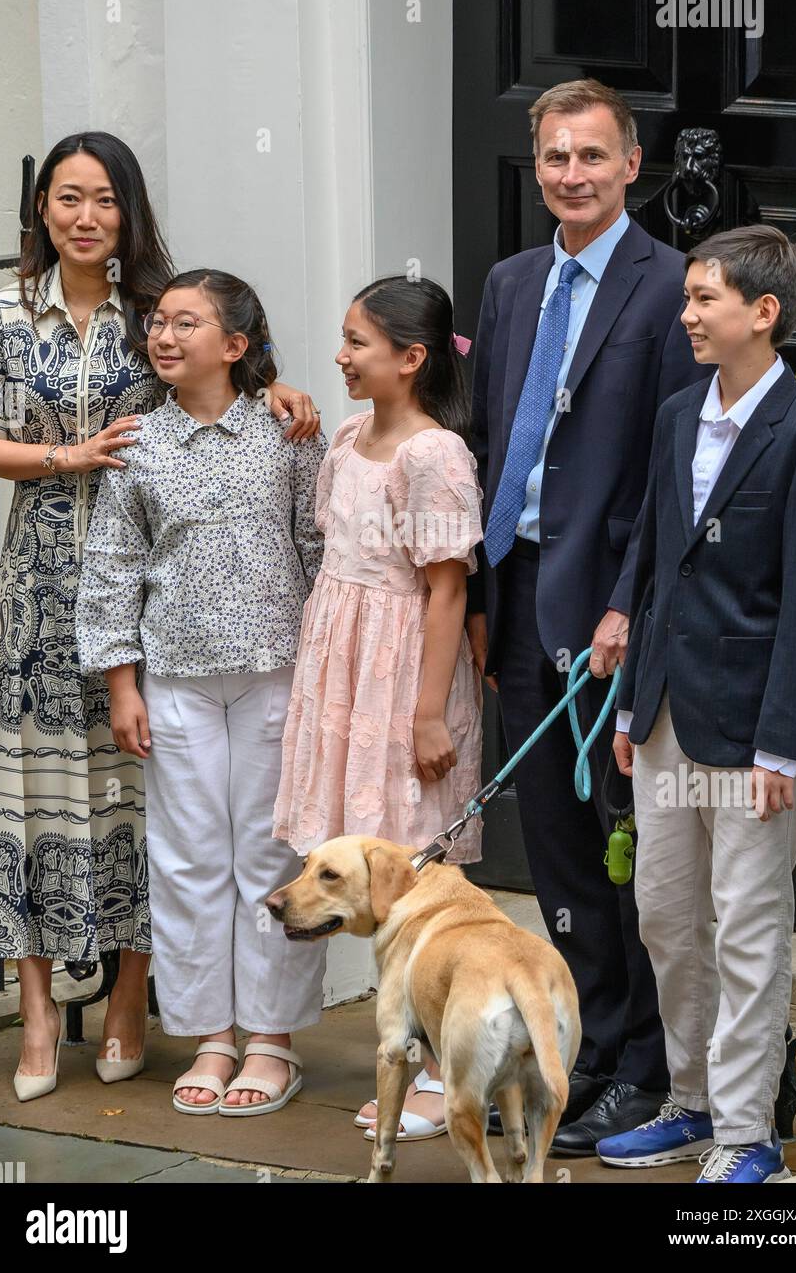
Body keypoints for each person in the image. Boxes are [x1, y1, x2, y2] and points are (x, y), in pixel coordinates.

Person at [0, 131, 320, 1103]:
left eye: (104, 200)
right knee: (36, 800)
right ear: (40, 207)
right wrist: (68, 459)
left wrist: (283, 391)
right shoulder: (7, 308)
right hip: (40, 588)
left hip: (168, 602)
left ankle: (133, 1000)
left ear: (129, 210)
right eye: (66, 198)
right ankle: (39, 1013)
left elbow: (230, 377)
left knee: (149, 809)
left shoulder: (152, 312)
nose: (85, 217)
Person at [467, 79, 711, 1155]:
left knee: (627, 847)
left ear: (630, 163)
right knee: (559, 851)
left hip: (613, 611)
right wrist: (480, 596)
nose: (570, 174)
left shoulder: (669, 289)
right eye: (553, 158)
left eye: (590, 156)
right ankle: (592, 1049)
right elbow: (486, 439)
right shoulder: (512, 281)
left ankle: (644, 1065)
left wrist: (625, 602)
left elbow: (670, 471)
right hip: (518, 595)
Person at [600, 225, 796, 1184]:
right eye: (686, 297)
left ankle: (747, 1131)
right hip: (659, 715)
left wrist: (781, 744)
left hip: (748, 730)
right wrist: (625, 704)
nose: (685, 315)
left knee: (747, 925)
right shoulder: (677, 415)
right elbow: (653, 564)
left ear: (761, 313)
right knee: (664, 915)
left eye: (703, 300)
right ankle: (687, 1103)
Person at [76, 269, 326, 1115]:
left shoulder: (287, 432)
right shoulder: (137, 441)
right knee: (185, 862)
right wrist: (121, 684)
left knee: (271, 857)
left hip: (275, 674)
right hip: (174, 678)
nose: (164, 336)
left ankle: (271, 1041)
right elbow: (111, 568)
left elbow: (317, 551)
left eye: (187, 323)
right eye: (156, 322)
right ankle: (209, 1036)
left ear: (236, 345)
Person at [272, 275, 484, 1141]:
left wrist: (428, 713)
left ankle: (443, 1068)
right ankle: (404, 1053)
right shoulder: (350, 437)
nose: (340, 357)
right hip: (343, 666)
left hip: (400, 677)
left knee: (412, 879)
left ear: (411, 358)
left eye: (357, 343)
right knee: (362, 871)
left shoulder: (433, 456)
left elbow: (443, 592)